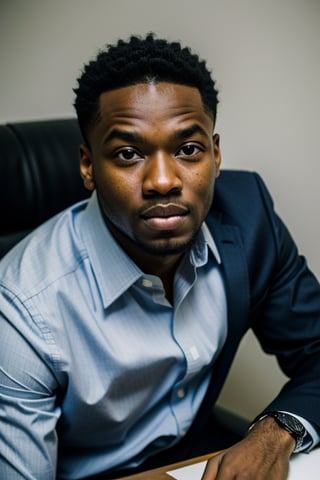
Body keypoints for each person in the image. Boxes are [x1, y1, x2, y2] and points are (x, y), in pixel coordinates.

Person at [0, 33, 319, 480]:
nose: (164, 181)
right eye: (129, 153)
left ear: (216, 153)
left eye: (188, 149)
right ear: (88, 166)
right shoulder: (20, 312)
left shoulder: (249, 218)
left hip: (195, 458)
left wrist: (277, 430)